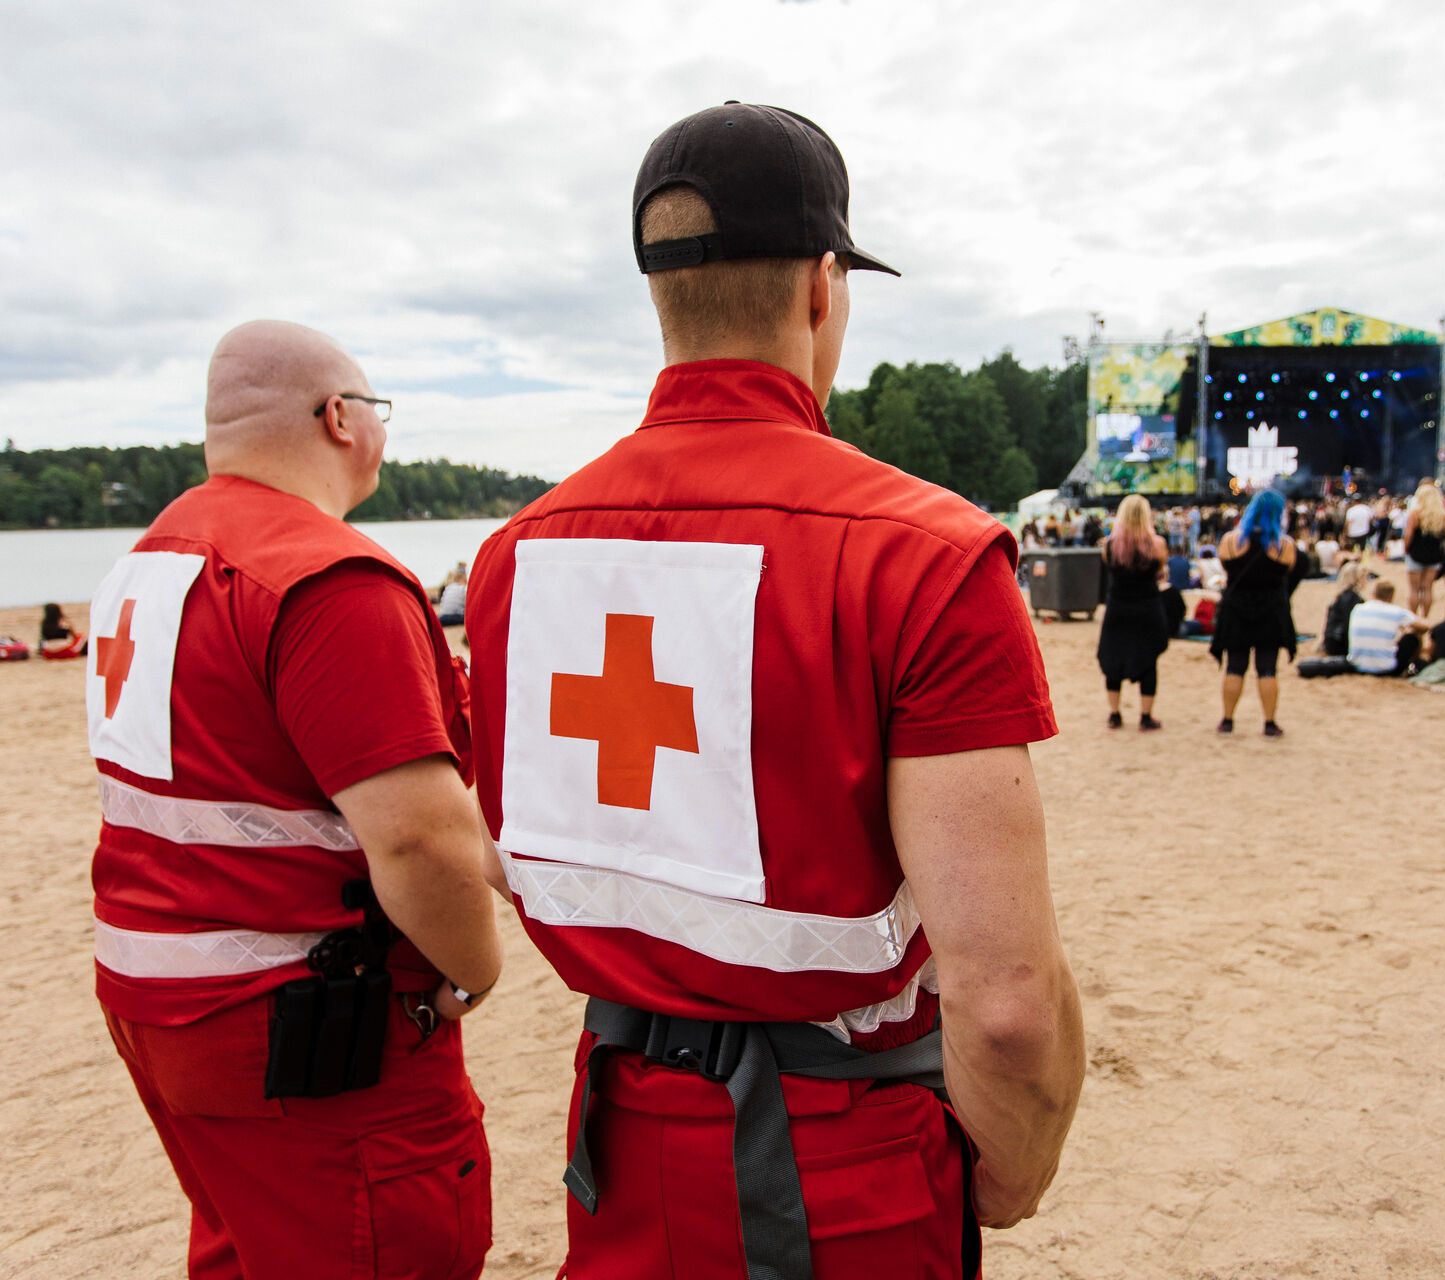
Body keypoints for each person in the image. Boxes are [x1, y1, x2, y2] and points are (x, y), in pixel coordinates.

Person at [463, 104, 1083, 1280]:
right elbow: (1006, 1002)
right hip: (844, 1164)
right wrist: (1016, 1163)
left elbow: (511, 845)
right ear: (822, 286)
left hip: (619, 1136)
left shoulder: (512, 559)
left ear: (661, 298)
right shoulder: (926, 555)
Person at [87, 320, 503, 1280]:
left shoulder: (147, 565)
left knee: (245, 1248)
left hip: (154, 1003)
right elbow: (416, 841)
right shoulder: (329, 581)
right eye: (377, 411)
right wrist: (473, 971)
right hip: (308, 1030)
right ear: (340, 418)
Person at [1212, 489, 1297, 737]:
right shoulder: (1285, 546)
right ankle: (1269, 723)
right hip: (1271, 610)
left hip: (1237, 609)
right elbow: (1288, 572)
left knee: (1234, 666)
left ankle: (1227, 720)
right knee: (1268, 668)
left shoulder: (1229, 541)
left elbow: (1225, 569)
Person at [1097, 494, 1170, 731]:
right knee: (1148, 659)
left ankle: (1114, 714)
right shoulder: (1157, 544)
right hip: (1147, 607)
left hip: (1118, 607)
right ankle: (1146, 716)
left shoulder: (1109, 545)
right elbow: (1161, 572)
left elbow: (1109, 571)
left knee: (1112, 658)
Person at [1347, 580, 1429, 676]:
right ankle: (1413, 667)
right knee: (1412, 638)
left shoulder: (1357, 608)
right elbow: (1424, 627)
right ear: (1391, 597)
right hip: (1386, 668)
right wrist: (1406, 630)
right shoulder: (1397, 612)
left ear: (1373, 593)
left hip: (1356, 664)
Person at [1401, 482, 1445, 615]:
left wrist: (1406, 549)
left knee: (1414, 589)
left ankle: (1412, 617)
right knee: (1428, 588)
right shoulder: (1443, 515)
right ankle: (1425, 617)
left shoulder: (1415, 514)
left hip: (1416, 553)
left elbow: (1408, 535)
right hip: (1435, 554)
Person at [1319, 560, 1371, 658]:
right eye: (1364, 577)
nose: (1366, 581)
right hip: (1339, 644)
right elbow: (1349, 625)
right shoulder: (1353, 598)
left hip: (1332, 641)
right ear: (1356, 579)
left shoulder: (1341, 596)